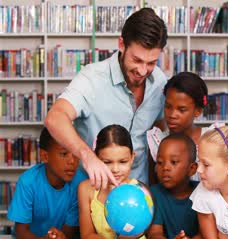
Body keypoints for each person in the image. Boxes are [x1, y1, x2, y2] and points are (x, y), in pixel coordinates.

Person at [45, 8, 168, 188]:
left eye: (151, 63)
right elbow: (55, 117)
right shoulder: (91, 78)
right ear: (121, 44)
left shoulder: (159, 81)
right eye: (137, 60)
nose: (143, 71)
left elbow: (160, 127)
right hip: (93, 192)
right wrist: (87, 156)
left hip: (138, 195)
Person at [7, 127, 87, 239]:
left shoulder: (81, 184)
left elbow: (70, 230)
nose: (72, 161)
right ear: (44, 156)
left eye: (76, 154)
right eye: (64, 154)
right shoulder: (28, 182)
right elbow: (21, 233)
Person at [78, 124, 147, 239]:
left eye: (123, 161)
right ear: (95, 159)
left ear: (132, 157)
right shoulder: (86, 189)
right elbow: (87, 236)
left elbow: (138, 232)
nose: (115, 169)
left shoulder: (140, 191)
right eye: (107, 162)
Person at [147, 71, 222, 182]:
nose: (172, 115)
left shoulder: (213, 140)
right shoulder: (156, 142)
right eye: (168, 107)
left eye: (181, 110)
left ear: (198, 111)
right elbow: (153, 187)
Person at [147, 133, 203, 239]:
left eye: (174, 162)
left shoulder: (202, 192)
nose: (165, 168)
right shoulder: (154, 193)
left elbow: (207, 234)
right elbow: (154, 236)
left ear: (192, 169)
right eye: (160, 162)